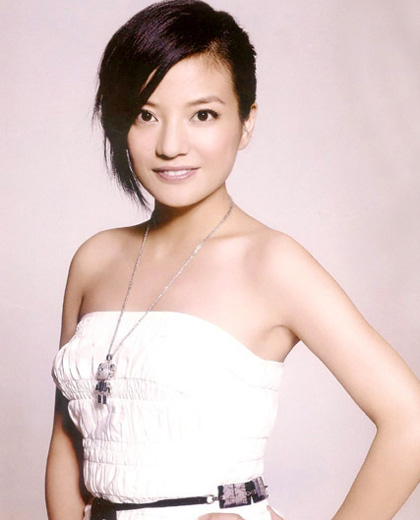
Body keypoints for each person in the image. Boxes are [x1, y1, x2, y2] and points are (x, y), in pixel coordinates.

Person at [45, 1, 420, 519]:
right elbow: (65, 444)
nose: (171, 145)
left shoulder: (271, 262)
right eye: (146, 114)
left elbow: (410, 421)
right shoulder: (95, 259)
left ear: (246, 123)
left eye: (203, 114)